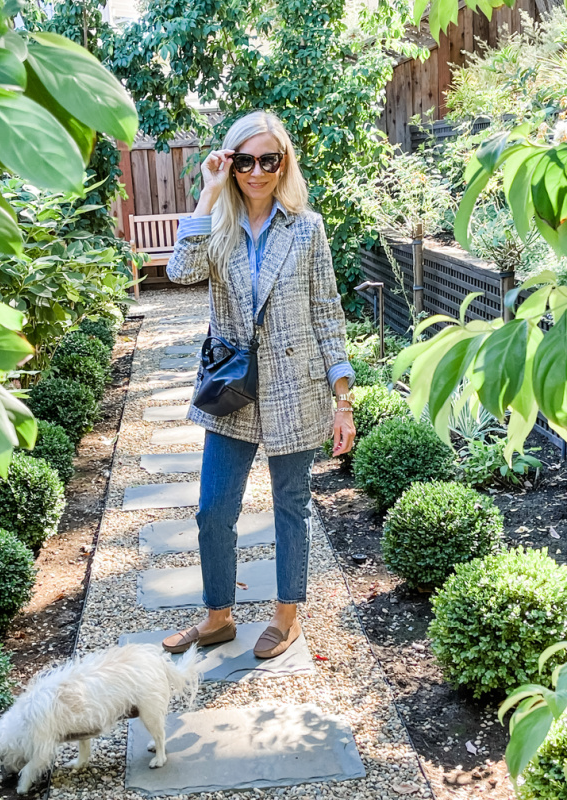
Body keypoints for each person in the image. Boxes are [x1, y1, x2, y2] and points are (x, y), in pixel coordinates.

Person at [162, 110, 356, 659]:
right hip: (232, 389)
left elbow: (327, 315)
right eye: (244, 160)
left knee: (291, 505)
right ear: (231, 162)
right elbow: (179, 272)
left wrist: (343, 402)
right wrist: (208, 192)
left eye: (268, 159)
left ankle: (286, 617)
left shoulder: (307, 229)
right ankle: (218, 617)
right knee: (214, 509)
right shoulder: (217, 226)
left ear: (283, 162)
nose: (256, 171)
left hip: (296, 388)